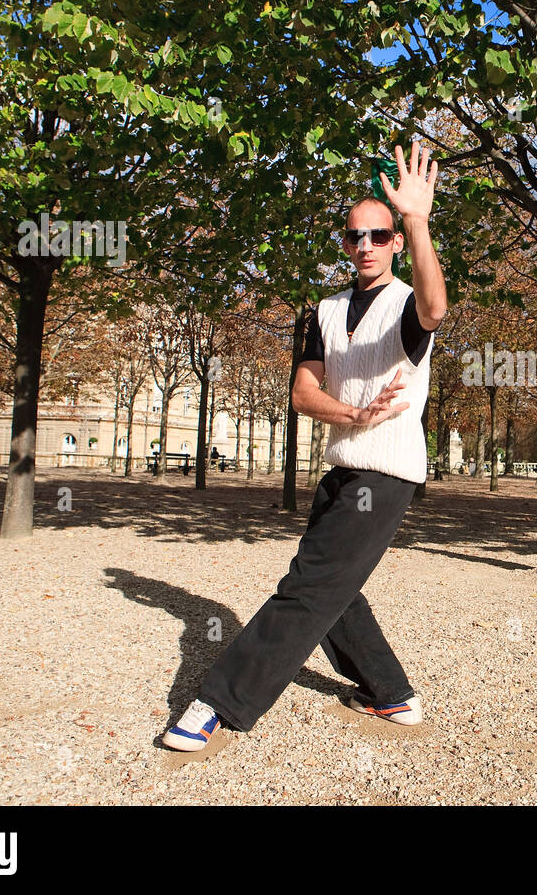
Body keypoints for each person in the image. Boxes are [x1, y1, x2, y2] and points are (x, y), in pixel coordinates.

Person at [163, 142, 446, 751]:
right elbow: (302, 393)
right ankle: (391, 692)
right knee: (330, 588)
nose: (365, 244)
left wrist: (419, 220)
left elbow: (434, 305)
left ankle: (218, 703)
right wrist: (350, 411)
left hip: (386, 472)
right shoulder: (322, 310)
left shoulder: (404, 304)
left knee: (307, 588)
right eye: (354, 236)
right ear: (344, 243)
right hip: (341, 465)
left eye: (378, 234)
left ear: (394, 241)